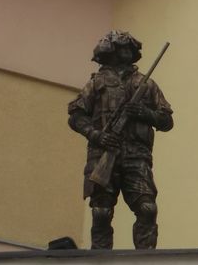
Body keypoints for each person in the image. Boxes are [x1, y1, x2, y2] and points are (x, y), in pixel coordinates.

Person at [67, 31, 173, 249]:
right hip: (102, 153)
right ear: (110, 51)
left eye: (129, 48)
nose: (127, 51)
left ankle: (145, 262)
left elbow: (166, 120)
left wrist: (143, 112)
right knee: (101, 212)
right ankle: (100, 263)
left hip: (137, 155)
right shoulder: (97, 83)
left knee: (147, 209)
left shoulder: (146, 84)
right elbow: (76, 116)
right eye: (121, 47)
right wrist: (97, 135)